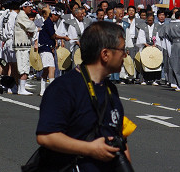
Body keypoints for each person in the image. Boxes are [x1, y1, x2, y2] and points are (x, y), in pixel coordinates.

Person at [36, 21, 131, 172]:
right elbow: (46, 136)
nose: (125, 55)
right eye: (122, 50)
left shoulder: (110, 88)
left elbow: (119, 136)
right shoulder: (63, 87)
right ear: (105, 54)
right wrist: (90, 149)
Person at [14, 0, 38, 95]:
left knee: (24, 65)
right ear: (24, 7)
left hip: (23, 44)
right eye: (29, 7)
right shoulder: (21, 16)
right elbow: (31, 27)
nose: (31, 9)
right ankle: (21, 89)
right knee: (23, 66)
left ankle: (21, 88)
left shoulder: (22, 16)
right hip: (22, 45)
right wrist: (33, 28)